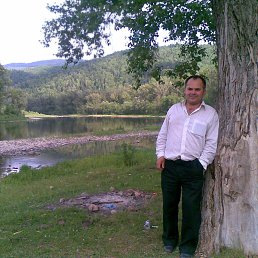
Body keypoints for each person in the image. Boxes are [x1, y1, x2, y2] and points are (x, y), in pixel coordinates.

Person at [156, 75, 219, 258]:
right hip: (170, 166)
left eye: (197, 89)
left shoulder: (211, 114)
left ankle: (187, 247)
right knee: (169, 205)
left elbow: (211, 143)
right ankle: (169, 240)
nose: (193, 92)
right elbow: (163, 135)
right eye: (190, 89)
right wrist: (160, 155)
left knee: (191, 208)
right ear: (185, 90)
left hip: (193, 168)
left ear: (203, 92)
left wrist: (201, 164)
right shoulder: (174, 110)